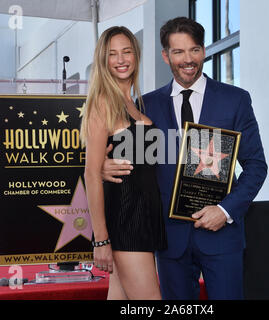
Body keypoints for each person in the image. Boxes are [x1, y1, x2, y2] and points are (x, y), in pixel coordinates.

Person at [102, 17, 267, 300]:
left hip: (222, 237)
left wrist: (225, 211)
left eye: (194, 50)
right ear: (166, 56)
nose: (187, 59)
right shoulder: (146, 105)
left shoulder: (235, 99)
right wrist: (105, 167)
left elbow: (256, 167)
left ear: (203, 51)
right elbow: (132, 163)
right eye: (178, 52)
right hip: (169, 238)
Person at [80, 26, 167, 300]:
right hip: (126, 221)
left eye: (126, 51)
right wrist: (101, 240)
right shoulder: (103, 102)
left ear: (136, 55)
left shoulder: (134, 103)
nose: (121, 59)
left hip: (144, 218)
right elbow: (92, 175)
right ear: (103, 60)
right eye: (112, 54)